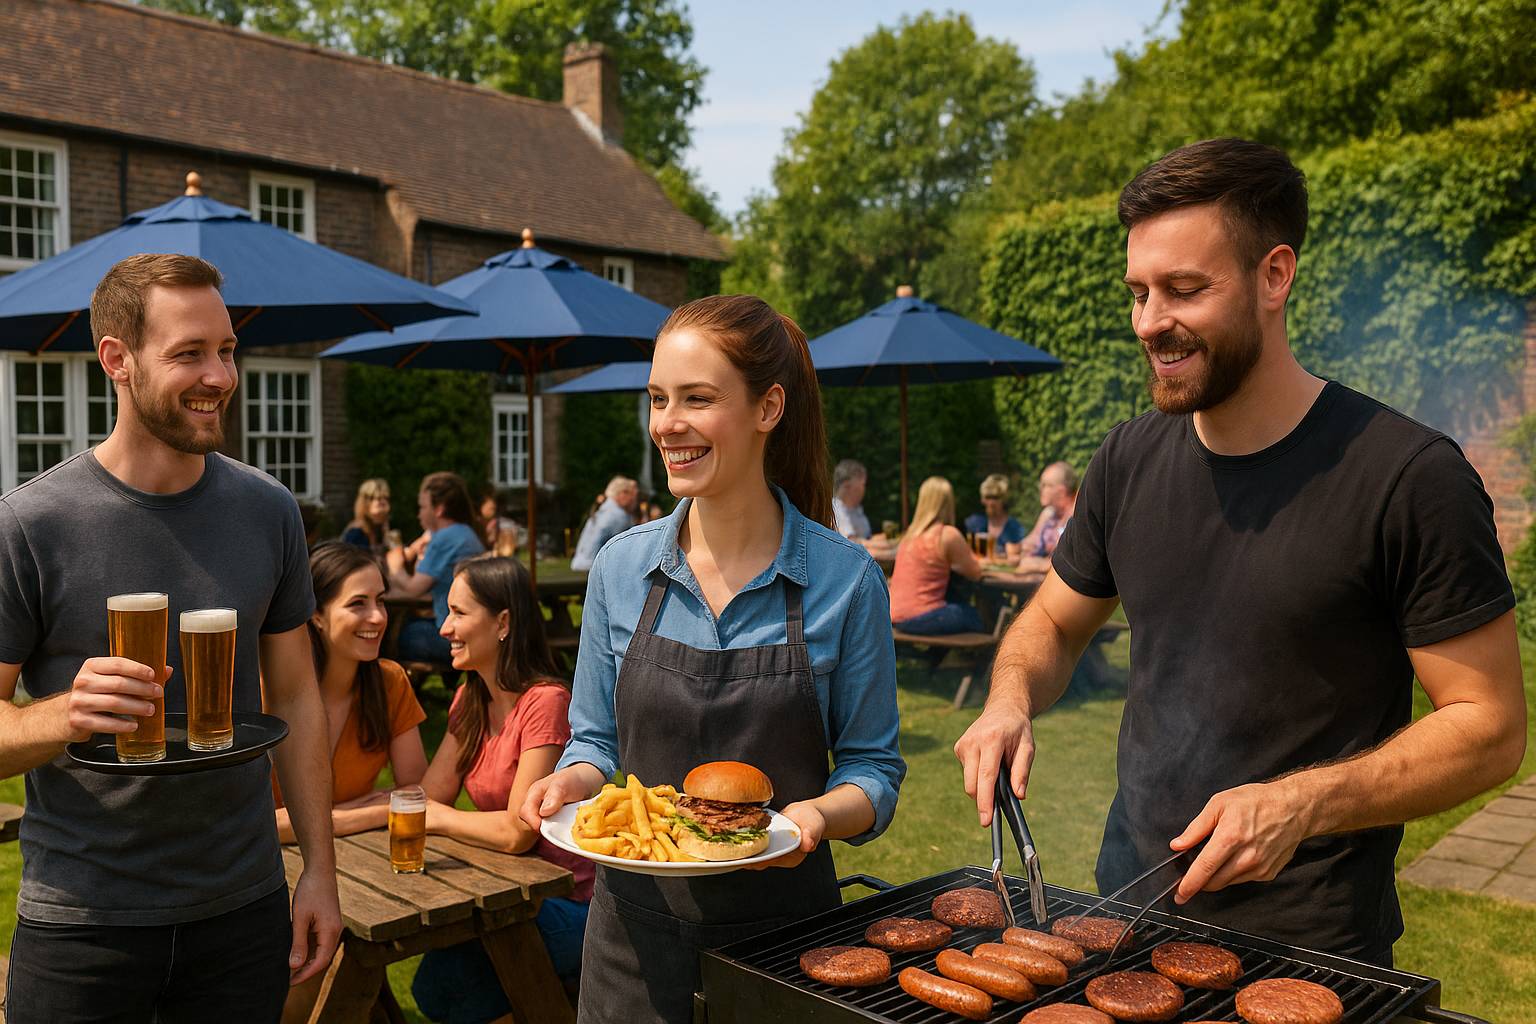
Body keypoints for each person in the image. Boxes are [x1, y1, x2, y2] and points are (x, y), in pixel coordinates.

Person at [954, 138, 1525, 966]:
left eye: (1184, 289)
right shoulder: (1128, 459)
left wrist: (1303, 801)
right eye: (1139, 293)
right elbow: (1053, 623)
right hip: (1122, 926)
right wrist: (1009, 699)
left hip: (1309, 957)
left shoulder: (1408, 478)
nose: (1151, 322)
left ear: (1274, 276)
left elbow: (1492, 727)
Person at [520, 294, 905, 1024]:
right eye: (659, 399)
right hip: (631, 952)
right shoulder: (619, 569)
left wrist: (818, 816)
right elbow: (596, 739)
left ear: (768, 409)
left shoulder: (844, 581)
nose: (667, 424)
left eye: (698, 399)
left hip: (788, 953)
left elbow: (874, 769)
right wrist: (568, 780)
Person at [0, 253, 340, 1021]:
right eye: (189, 353)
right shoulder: (30, 524)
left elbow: (294, 694)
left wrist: (319, 868)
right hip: (84, 921)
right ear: (117, 360)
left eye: (226, 350)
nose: (220, 375)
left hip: (244, 909)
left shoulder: (269, 510)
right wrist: (62, 714)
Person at [410, 555, 592, 1021]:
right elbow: (429, 796)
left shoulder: (546, 702)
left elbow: (518, 831)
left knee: (455, 990)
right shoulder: (470, 698)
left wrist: (438, 821)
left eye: (459, 612)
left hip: (570, 902)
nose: (444, 628)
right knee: (432, 989)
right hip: (505, 889)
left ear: (504, 622)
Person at [275, 541, 428, 1024]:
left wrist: (314, 823)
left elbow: (414, 798)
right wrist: (364, 810)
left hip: (354, 872)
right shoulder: (275, 688)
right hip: (273, 874)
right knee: (309, 951)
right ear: (316, 615)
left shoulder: (390, 682)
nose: (378, 616)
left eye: (381, 600)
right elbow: (254, 823)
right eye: (358, 603)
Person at [387, 471, 485, 664]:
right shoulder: (465, 532)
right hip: (474, 629)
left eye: (423, 507)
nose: (419, 514)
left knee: (393, 635)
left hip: (452, 636)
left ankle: (391, 688)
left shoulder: (445, 537)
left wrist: (394, 565)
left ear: (439, 509)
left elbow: (413, 589)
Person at [889, 476, 986, 635]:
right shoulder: (946, 535)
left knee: (953, 603)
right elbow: (976, 573)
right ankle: (966, 659)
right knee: (975, 616)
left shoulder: (909, 536)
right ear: (948, 503)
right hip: (922, 616)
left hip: (894, 615)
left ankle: (938, 658)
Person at [1014, 462, 1078, 574]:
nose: (1040, 489)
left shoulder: (1077, 515)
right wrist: (1017, 549)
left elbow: (1075, 563)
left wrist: (1041, 565)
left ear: (1061, 491)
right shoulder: (1049, 513)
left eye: (1046, 485)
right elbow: (1032, 541)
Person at [569, 475, 638, 571]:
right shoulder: (619, 517)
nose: (635, 501)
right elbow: (628, 553)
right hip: (593, 569)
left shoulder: (601, 512)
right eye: (633, 496)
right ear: (623, 494)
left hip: (579, 564)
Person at [962, 474, 1026, 561]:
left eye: (995, 498)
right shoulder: (973, 523)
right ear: (982, 499)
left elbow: (1015, 557)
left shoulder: (1014, 527)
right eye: (987, 497)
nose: (991, 502)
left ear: (1004, 499)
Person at [341, 478, 393, 553]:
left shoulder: (379, 528)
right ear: (366, 503)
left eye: (386, 499)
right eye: (379, 499)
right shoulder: (356, 533)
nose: (386, 506)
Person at [479, 486, 523, 557]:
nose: (493, 508)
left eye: (493, 508)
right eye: (490, 508)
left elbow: (509, 549)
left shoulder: (505, 524)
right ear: (481, 507)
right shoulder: (476, 524)